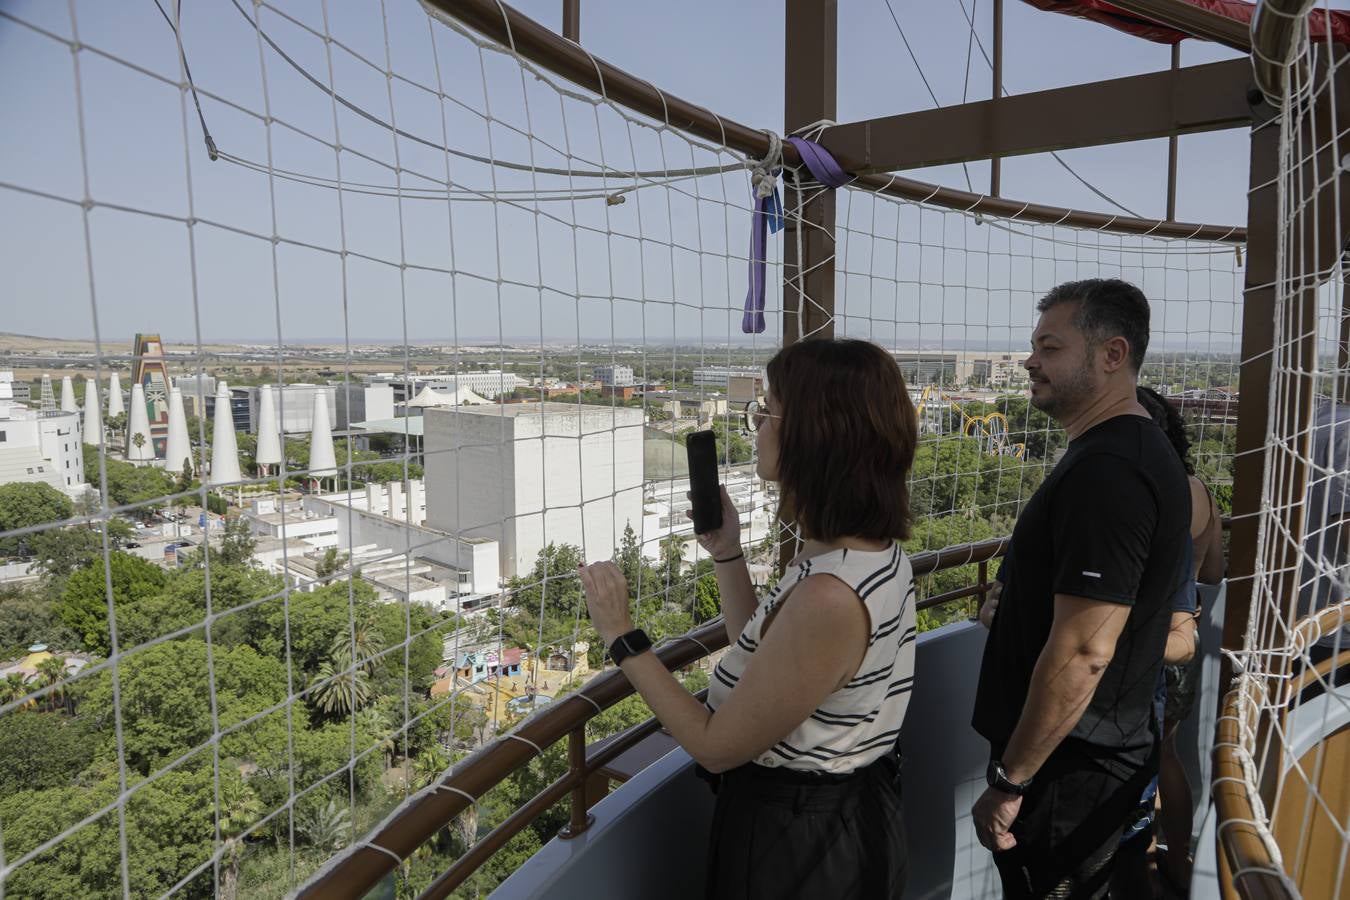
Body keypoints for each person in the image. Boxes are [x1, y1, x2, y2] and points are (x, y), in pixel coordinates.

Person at [580, 338, 918, 899]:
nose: (755, 423)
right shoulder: (860, 554)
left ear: (815, 433)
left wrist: (622, 637)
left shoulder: (831, 595)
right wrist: (728, 553)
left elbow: (715, 745)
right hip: (836, 822)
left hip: (802, 845)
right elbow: (767, 661)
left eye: (767, 411)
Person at [970, 279, 1191, 899]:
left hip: (1069, 774)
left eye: (1051, 347)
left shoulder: (1110, 472)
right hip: (1086, 760)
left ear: (1112, 355)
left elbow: (1085, 652)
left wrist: (1011, 783)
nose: (1030, 360)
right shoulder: (1129, 451)